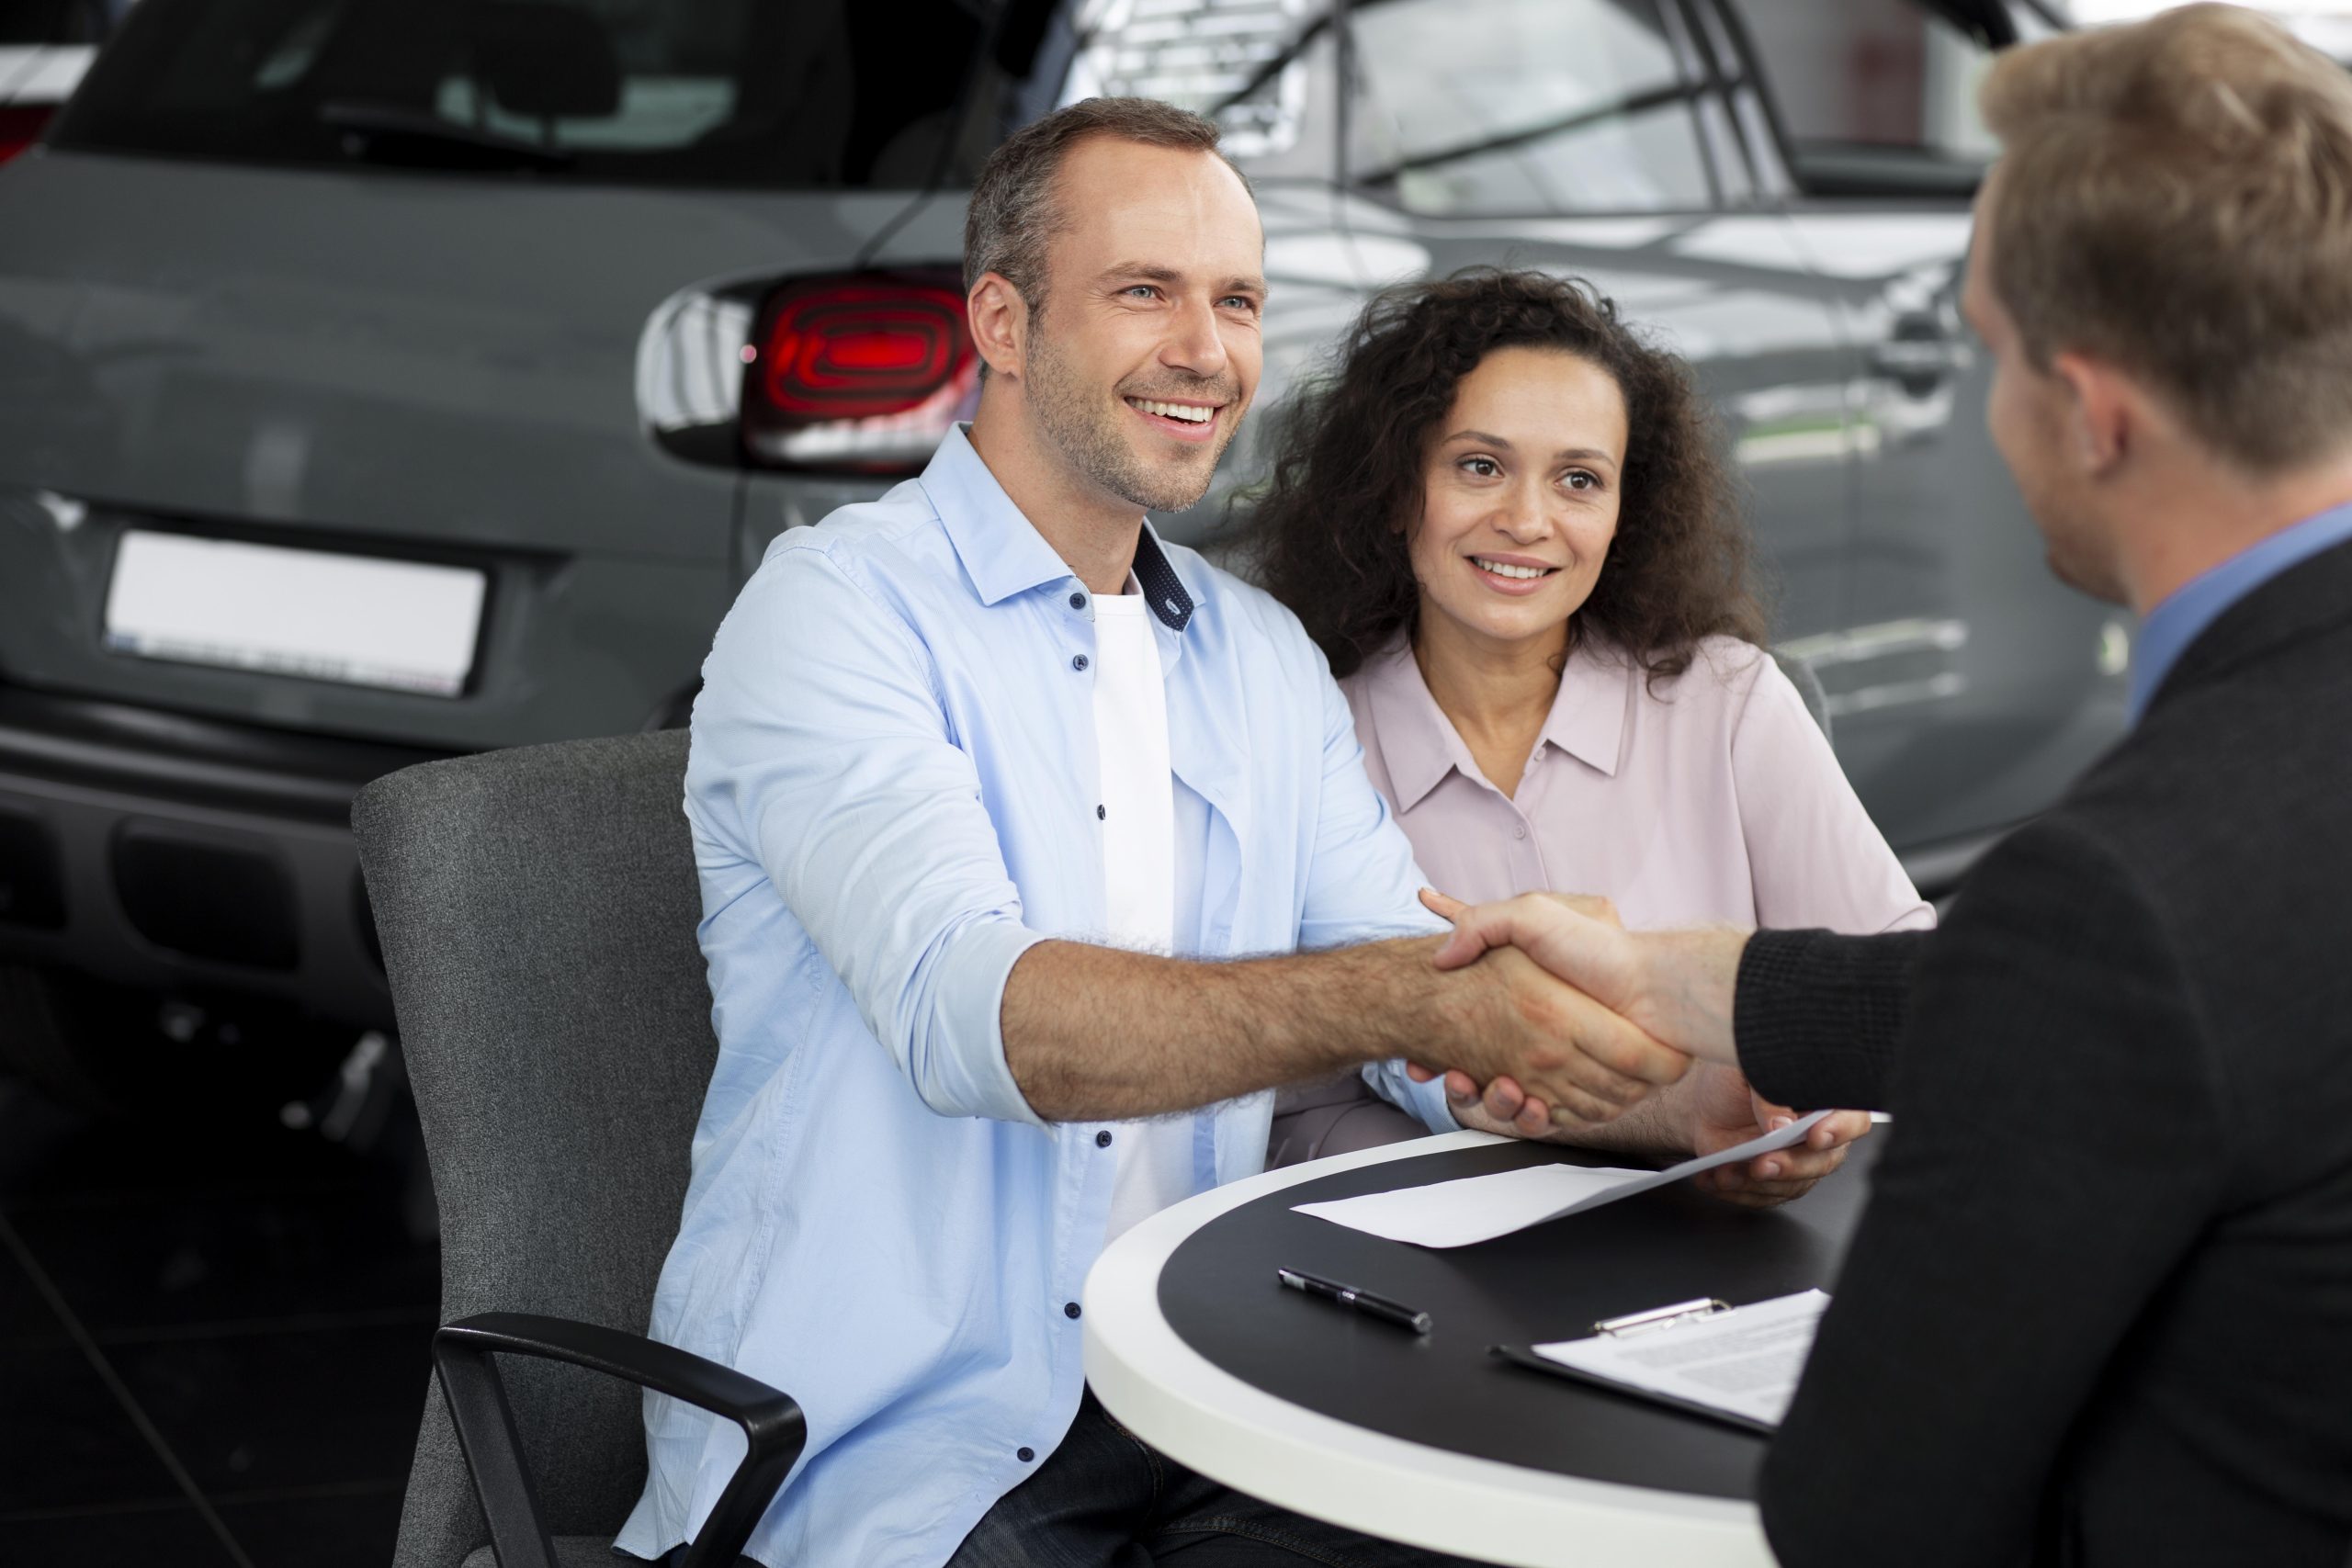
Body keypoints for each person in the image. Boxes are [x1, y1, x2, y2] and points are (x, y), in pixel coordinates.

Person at [616, 97, 1839, 1568]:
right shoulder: (835, 613)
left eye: (1239, 300)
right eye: (1146, 291)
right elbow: (986, 1022)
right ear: (1001, 321)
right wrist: (1407, 991)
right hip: (907, 1443)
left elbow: (1417, 1001)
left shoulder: (1254, 655)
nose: (1207, 349)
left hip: (1208, 1394)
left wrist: (1689, 1116)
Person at [1421, 8, 2352, 1563]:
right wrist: (1665, 975)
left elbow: (1861, 1502)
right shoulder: (2194, 880)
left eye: (1990, 356)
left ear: (2097, 407)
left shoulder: (2121, 896)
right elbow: (2132, 1000)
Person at [1255, 270, 1928, 1174]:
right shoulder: (1305, 742)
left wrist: (1800, 1115)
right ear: (1394, 489)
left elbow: (1900, 979)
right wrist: (1510, 1153)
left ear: (1624, 515)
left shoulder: (1728, 702)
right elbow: (1290, 1111)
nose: (1527, 520)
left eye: (1578, 479)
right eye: (1479, 466)